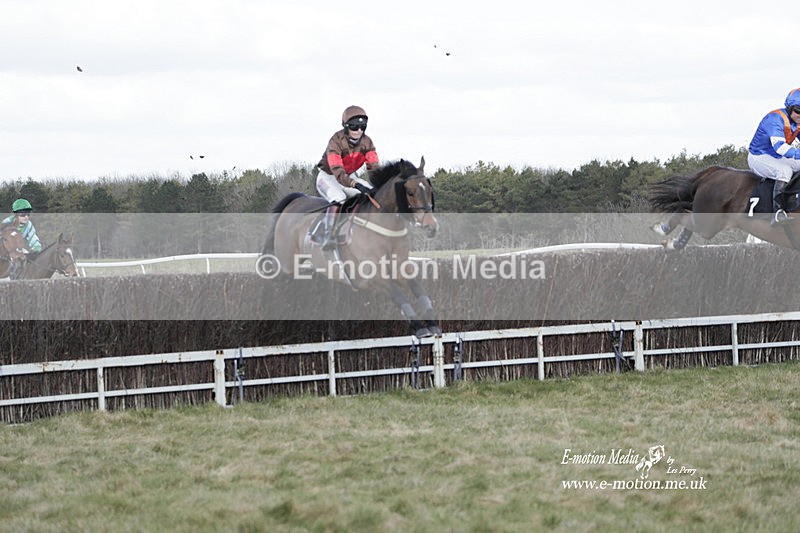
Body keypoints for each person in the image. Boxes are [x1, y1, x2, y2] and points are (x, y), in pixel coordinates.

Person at [316, 105, 379, 249]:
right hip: (328, 177)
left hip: (350, 176)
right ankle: (329, 235)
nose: (359, 131)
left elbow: (374, 168)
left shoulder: (367, 142)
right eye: (354, 127)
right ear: (345, 126)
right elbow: (338, 172)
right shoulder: (335, 141)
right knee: (339, 198)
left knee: (372, 195)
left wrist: (380, 184)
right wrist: (355, 184)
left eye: (362, 127)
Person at [748, 88, 800, 225]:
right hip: (759, 156)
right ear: (789, 108)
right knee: (785, 171)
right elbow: (780, 147)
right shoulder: (775, 119)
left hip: (776, 156)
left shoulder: (797, 122)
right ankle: (778, 212)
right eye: (798, 110)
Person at [2, 198, 43, 279]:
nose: (26, 217)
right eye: (23, 214)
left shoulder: (29, 225)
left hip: (18, 249)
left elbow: (33, 238)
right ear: (16, 214)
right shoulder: (6, 223)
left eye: (28, 214)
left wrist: (36, 249)